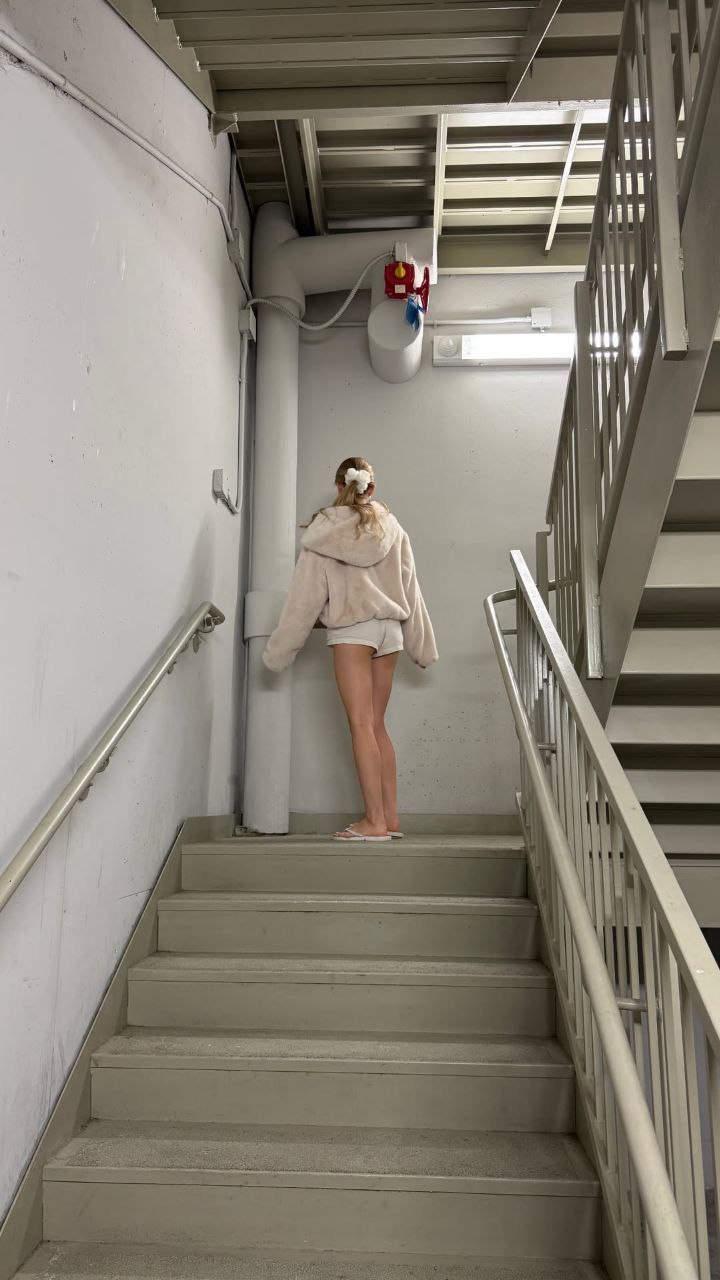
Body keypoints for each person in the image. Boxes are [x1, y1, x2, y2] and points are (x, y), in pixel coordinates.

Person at [263, 456, 437, 842]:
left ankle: (373, 822)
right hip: (390, 632)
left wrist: (280, 651)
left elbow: (304, 598)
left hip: (353, 629)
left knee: (360, 724)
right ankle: (389, 818)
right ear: (371, 487)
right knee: (376, 725)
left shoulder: (323, 532)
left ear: (338, 485)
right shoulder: (393, 527)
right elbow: (411, 588)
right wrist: (422, 646)